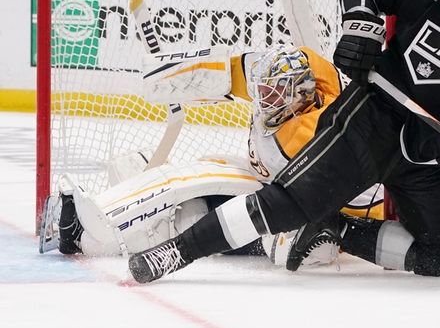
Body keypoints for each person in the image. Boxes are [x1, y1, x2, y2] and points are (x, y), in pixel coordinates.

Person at [127, 0, 440, 283]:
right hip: (368, 119)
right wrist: (362, 28)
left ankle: (334, 227)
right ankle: (176, 252)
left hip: (425, 151)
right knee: (286, 202)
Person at [42, 45, 384, 265]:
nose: (263, 98)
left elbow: (351, 198)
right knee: (201, 171)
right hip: (277, 184)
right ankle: (111, 219)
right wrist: (178, 73)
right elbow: (278, 65)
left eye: (273, 93)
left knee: (205, 218)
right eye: (262, 90)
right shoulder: (310, 85)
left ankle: (96, 238)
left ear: (298, 97)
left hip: (315, 210)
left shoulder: (305, 139)